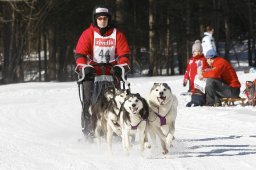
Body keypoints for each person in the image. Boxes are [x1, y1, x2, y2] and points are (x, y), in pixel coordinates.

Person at [74, 5, 130, 138]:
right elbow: (80, 54)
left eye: (105, 18)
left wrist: (120, 67)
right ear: (95, 20)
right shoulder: (87, 34)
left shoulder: (118, 34)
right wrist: (84, 67)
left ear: (109, 19)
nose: (103, 21)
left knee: (115, 101)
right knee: (89, 101)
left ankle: (116, 131)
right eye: (100, 19)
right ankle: (88, 131)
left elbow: (124, 55)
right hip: (92, 73)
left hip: (111, 72)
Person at [183, 40, 209, 107]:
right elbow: (187, 71)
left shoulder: (203, 60)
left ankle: (200, 98)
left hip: (199, 84)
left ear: (200, 52)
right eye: (193, 51)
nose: (193, 52)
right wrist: (185, 79)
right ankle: (193, 97)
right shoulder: (191, 60)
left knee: (197, 92)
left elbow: (206, 71)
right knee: (192, 92)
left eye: (195, 51)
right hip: (191, 83)